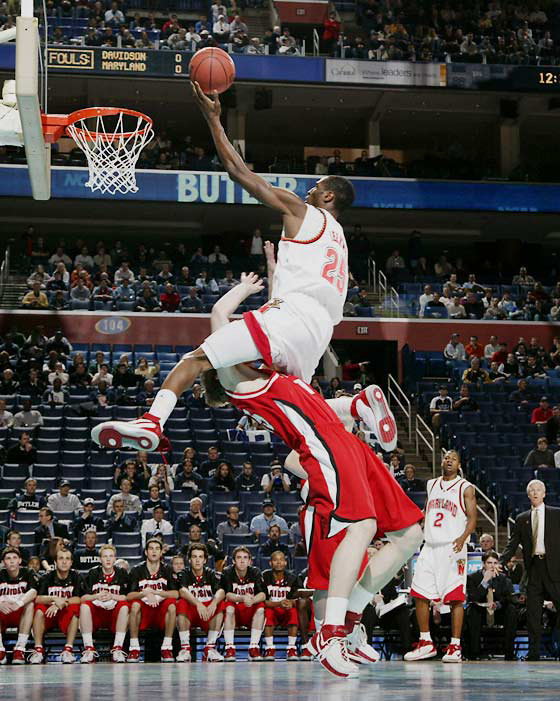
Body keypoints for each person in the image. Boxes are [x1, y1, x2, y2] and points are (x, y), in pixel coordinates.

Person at [91, 86, 400, 462]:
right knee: (291, 408)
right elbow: (309, 282)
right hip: (318, 335)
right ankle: (355, 405)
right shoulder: (340, 241)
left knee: (196, 360)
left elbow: (240, 173)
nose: (308, 191)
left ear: (329, 197)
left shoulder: (303, 212)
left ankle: (152, 423)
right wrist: (275, 270)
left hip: (292, 316)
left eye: (315, 188)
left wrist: (213, 119)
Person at [404, 450, 477, 663]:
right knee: (419, 593)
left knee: (455, 598)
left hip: (452, 547)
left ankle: (455, 646)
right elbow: (427, 510)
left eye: (453, 459)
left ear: (459, 464)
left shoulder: (465, 487)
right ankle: (426, 642)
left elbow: (473, 518)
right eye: (446, 458)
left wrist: (463, 538)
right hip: (430, 545)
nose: (448, 461)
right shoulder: (432, 484)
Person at [500, 479, 560, 661]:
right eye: (532, 490)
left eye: (538, 489)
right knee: (533, 614)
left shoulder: (556, 514)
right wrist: (501, 561)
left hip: (555, 568)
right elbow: (512, 544)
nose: (535, 492)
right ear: (528, 495)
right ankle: (534, 653)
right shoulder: (521, 518)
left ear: (544, 494)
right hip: (534, 569)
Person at [127, 538, 179, 663]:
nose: (154, 551)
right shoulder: (137, 570)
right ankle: (134, 648)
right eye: (151, 549)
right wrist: (144, 593)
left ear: (161, 552)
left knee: (172, 606)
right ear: (146, 552)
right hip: (144, 611)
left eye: (157, 549)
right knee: (134, 606)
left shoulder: (168, 569)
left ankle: (167, 648)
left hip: (161, 610)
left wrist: (155, 592)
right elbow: (129, 595)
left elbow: (176, 593)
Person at [28, 548, 83, 664]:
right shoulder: (47, 577)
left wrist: (61, 603)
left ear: (71, 563)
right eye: (61, 558)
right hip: (49, 613)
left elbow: (79, 598)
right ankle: (38, 650)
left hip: (65, 612)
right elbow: (37, 598)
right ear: (55, 562)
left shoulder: (76, 577)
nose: (64, 561)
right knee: (39, 610)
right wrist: (54, 599)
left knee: (76, 609)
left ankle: (68, 650)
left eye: (67, 559)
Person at [79, 544, 130, 664]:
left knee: (124, 606)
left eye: (111, 556)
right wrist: (96, 596)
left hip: (114, 615)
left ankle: (117, 648)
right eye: (105, 556)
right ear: (100, 559)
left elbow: (127, 597)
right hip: (97, 614)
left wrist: (112, 596)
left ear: (115, 558)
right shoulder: (93, 573)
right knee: (84, 606)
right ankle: (89, 649)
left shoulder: (122, 573)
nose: (108, 559)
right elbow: (83, 598)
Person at [176, 543, 226, 662]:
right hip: (191, 613)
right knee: (181, 603)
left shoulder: (211, 574)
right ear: (189, 560)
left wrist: (214, 603)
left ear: (205, 560)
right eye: (194, 557)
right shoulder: (184, 573)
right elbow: (182, 591)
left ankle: (210, 648)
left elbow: (221, 591)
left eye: (200, 557)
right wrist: (198, 604)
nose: (197, 560)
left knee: (220, 604)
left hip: (207, 613)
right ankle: (185, 649)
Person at [465, 550, 517, 661]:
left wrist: (498, 604)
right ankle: (474, 653)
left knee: (511, 610)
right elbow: (473, 598)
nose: (492, 566)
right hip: (481, 612)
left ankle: (509, 653)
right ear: (483, 564)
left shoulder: (502, 578)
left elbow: (508, 597)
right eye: (489, 563)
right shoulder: (473, 577)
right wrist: (485, 581)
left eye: (495, 563)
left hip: (498, 612)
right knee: (472, 610)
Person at [218, 546, 267, 661]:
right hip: (235, 610)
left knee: (260, 608)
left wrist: (252, 600)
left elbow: (263, 595)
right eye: (239, 557)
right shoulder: (227, 572)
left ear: (250, 561)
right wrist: (242, 598)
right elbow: (227, 594)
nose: (242, 560)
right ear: (233, 561)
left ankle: (253, 647)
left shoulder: (255, 572)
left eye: (245, 558)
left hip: (250, 609)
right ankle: (230, 648)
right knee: (229, 608)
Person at [0, 547, 38, 663]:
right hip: (3, 612)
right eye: (8, 558)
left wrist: (19, 603)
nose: (11, 561)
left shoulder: (28, 572)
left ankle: (19, 649)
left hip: (21, 613)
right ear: (3, 562)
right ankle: (0, 650)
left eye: (14, 558)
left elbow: (34, 591)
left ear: (20, 560)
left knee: (30, 604)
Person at [262, 550, 300, 660]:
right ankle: (270, 648)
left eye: (281, 560)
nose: (278, 562)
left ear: (285, 563)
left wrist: (291, 603)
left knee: (293, 612)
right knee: (267, 613)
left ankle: (291, 648)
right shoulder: (264, 576)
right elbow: (262, 600)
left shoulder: (293, 578)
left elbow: (300, 598)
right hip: (272, 608)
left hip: (286, 610)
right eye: (275, 560)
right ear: (270, 563)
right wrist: (279, 603)